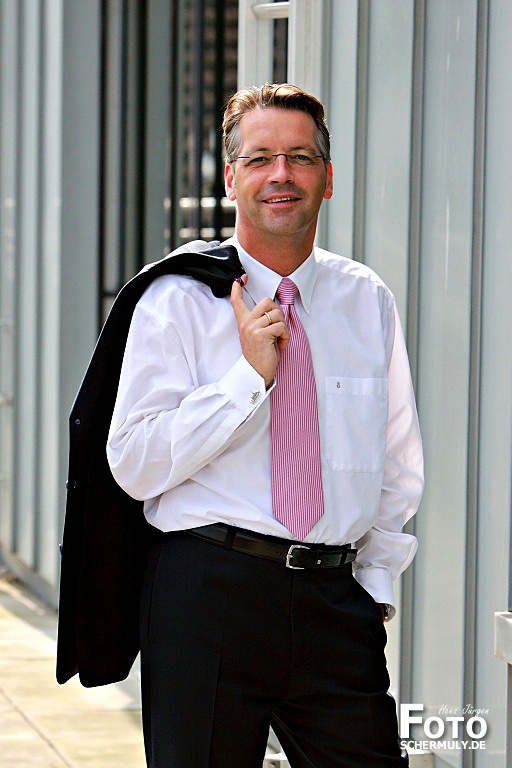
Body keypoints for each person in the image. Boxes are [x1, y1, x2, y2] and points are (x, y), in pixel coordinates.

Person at [107, 83, 423, 768]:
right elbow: (133, 461)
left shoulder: (365, 298)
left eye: (300, 158)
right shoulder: (175, 300)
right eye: (259, 159)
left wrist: (373, 589)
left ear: (327, 178)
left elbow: (395, 461)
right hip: (208, 596)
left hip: (336, 602)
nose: (281, 174)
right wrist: (246, 378)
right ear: (231, 179)